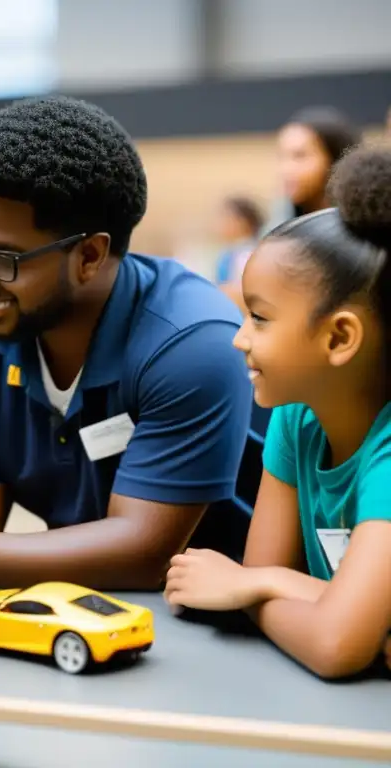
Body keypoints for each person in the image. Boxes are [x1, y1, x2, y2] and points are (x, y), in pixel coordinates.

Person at [0, 96, 259, 594]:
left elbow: (145, 552)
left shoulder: (192, 345)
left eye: (3, 258)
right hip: (77, 608)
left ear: (90, 255)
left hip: (217, 622)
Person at [164, 142, 391, 680]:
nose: (239, 339)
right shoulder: (297, 417)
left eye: (260, 319)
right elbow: (262, 574)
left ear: (339, 337)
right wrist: (290, 593)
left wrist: (259, 590)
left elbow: (334, 644)